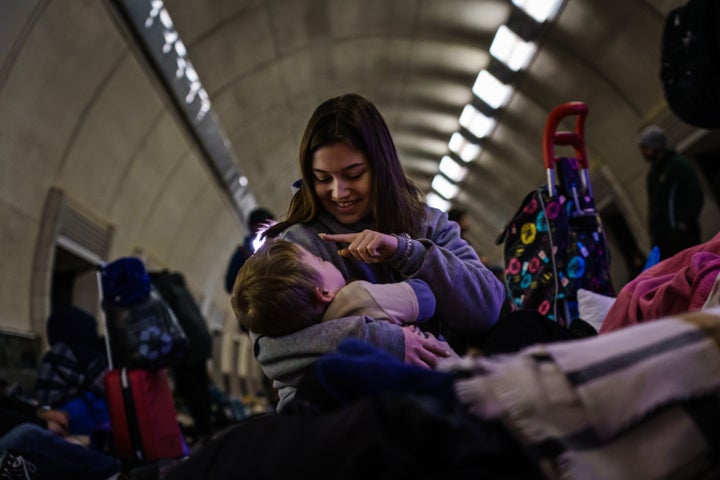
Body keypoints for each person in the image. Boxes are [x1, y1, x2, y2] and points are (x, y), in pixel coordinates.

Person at [259, 93, 505, 411]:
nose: (338, 192)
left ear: (381, 167)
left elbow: (488, 307)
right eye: (322, 179)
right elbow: (270, 349)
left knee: (522, 328)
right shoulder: (295, 246)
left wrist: (409, 253)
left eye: (353, 175)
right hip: (336, 410)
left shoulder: (426, 224)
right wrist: (387, 341)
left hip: (424, 398)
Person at [230, 238, 439, 336]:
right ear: (324, 293)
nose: (327, 260)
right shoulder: (357, 296)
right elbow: (426, 299)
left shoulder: (320, 337)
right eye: (320, 260)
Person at [33, 305, 110, 437]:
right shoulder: (66, 352)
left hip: (55, 416)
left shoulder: (55, 353)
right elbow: (104, 384)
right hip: (67, 417)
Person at [638, 125, 704, 260]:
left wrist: (682, 224)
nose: (643, 152)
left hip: (682, 236)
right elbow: (654, 205)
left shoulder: (677, 165)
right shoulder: (653, 174)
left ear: (656, 146)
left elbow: (694, 195)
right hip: (662, 239)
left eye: (646, 147)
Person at [223, 207, 275, 294]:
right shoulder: (242, 253)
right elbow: (230, 285)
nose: (264, 230)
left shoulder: (279, 245)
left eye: (268, 226)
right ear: (251, 227)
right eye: (261, 226)